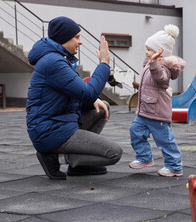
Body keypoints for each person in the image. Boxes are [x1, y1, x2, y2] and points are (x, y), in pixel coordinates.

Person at [26, 16, 123, 180]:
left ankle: (79, 165)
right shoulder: (53, 62)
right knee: (114, 153)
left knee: (101, 107)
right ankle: (56, 157)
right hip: (50, 130)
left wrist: (92, 99)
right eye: (77, 37)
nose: (80, 42)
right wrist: (104, 64)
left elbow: (76, 94)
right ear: (64, 39)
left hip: (58, 123)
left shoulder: (58, 59)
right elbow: (88, 93)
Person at [129, 24, 186, 177]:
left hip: (158, 112)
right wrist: (150, 59)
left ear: (160, 52)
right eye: (146, 48)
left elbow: (161, 78)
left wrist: (153, 61)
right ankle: (144, 157)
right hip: (145, 111)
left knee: (165, 140)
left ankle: (174, 166)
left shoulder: (165, 67)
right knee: (135, 130)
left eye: (149, 49)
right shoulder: (150, 64)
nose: (146, 52)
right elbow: (148, 67)